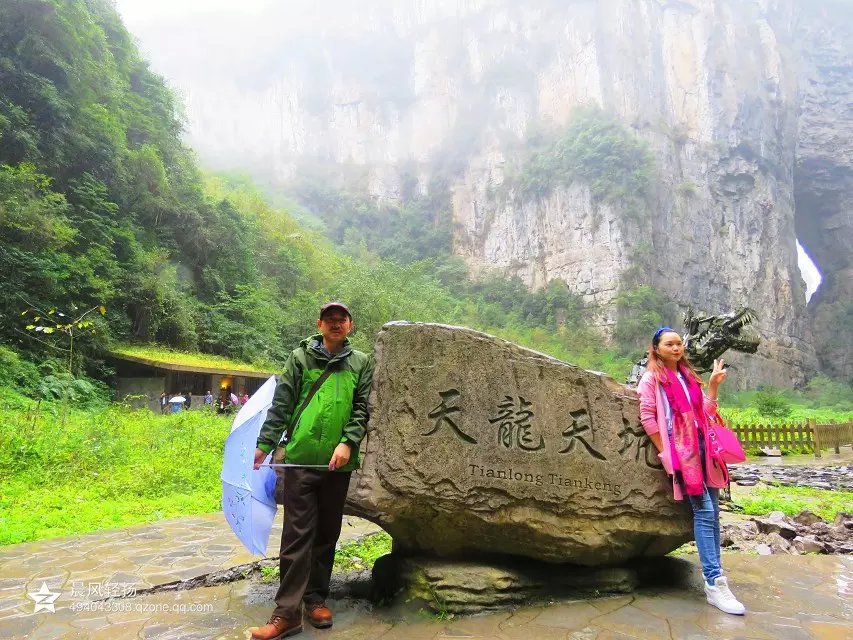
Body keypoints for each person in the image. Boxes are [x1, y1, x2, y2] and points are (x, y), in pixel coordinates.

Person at [249, 302, 373, 639]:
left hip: (337, 463)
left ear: (351, 326)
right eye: (330, 319)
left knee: (327, 534)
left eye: (341, 320)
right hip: (301, 460)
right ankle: (286, 613)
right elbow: (283, 403)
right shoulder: (300, 358)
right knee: (295, 537)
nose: (336, 324)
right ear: (319, 324)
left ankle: (316, 598)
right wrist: (265, 443)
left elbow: (362, 407)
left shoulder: (360, 363)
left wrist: (348, 442)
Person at [637, 327, 745, 615]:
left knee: (715, 515)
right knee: (704, 512)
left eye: (679, 344)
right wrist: (667, 451)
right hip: (684, 454)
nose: (676, 348)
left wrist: (713, 386)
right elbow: (648, 417)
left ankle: (718, 580)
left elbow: (705, 414)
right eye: (669, 344)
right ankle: (714, 582)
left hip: (704, 451)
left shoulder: (688, 377)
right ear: (656, 349)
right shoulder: (652, 379)